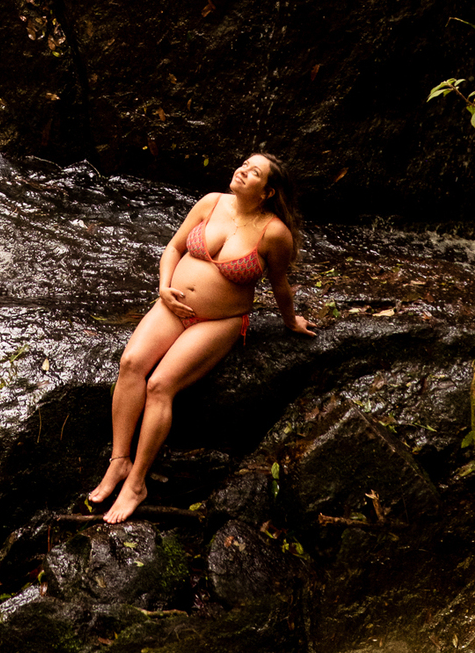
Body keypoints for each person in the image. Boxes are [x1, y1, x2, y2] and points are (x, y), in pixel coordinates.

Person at [88, 152, 316, 525]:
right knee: (130, 364)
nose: (242, 171)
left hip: (219, 320)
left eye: (253, 172)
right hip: (173, 306)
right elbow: (175, 248)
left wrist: (291, 322)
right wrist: (164, 288)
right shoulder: (211, 202)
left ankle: (137, 483)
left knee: (160, 385)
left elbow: (280, 285)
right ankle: (119, 462)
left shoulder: (275, 233)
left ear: (267, 191)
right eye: (243, 164)